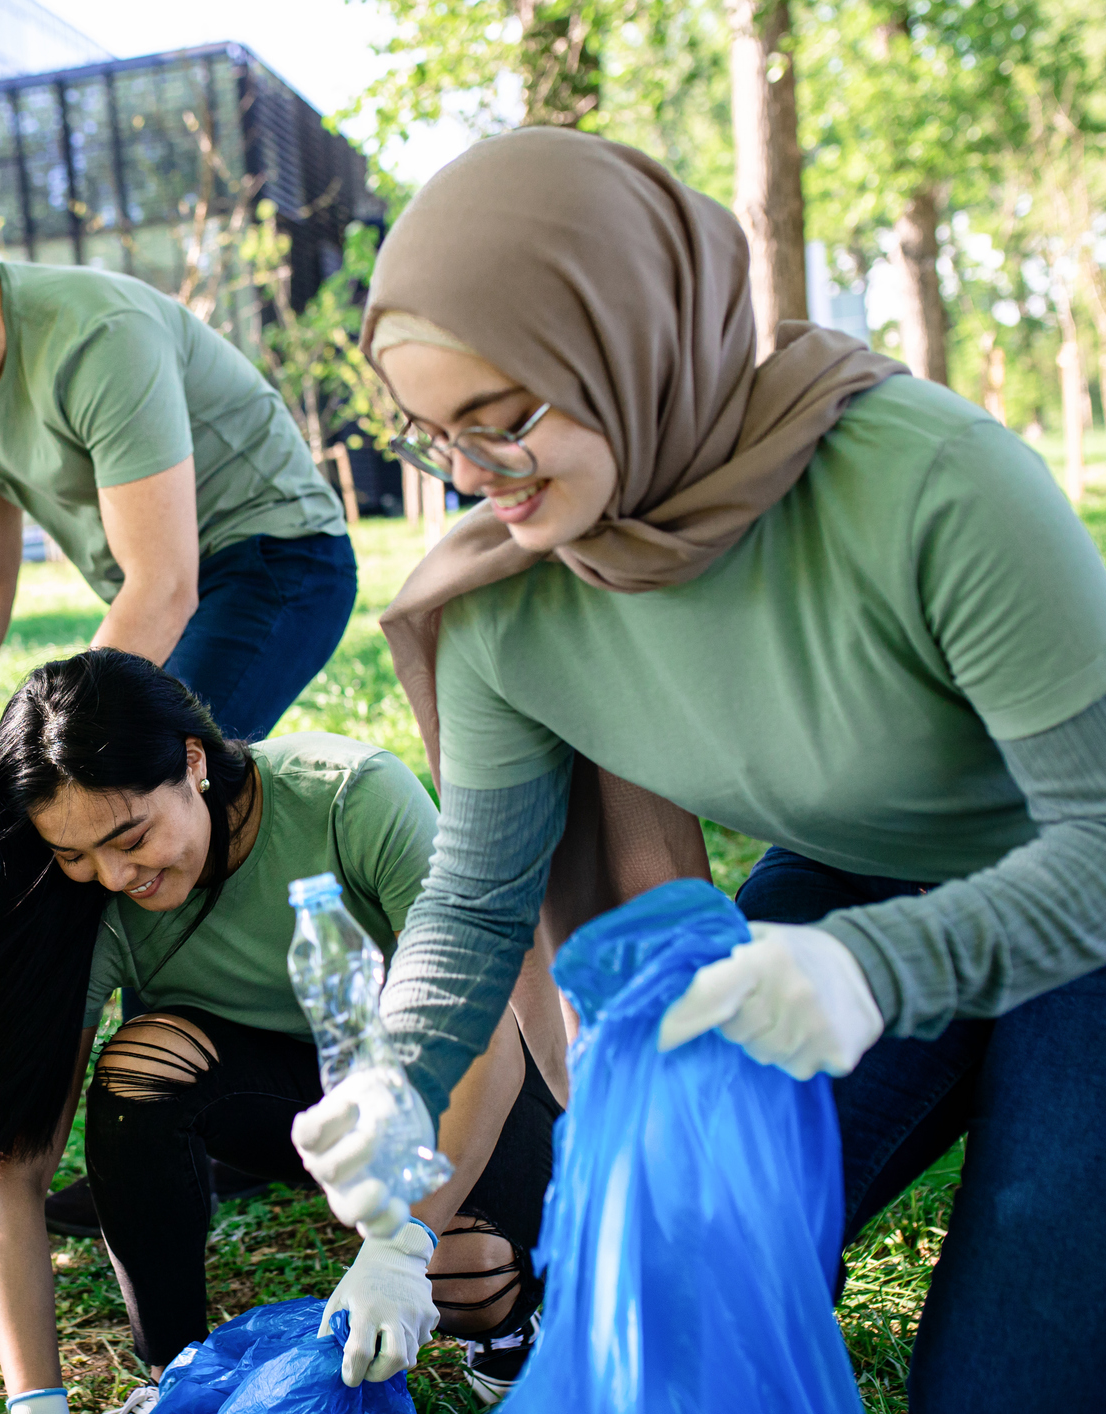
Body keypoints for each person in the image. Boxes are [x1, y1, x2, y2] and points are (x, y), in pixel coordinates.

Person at [289, 128, 1106, 1412]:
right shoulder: (510, 597)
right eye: (431, 431)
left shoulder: (930, 487)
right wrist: (400, 1072)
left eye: (501, 422)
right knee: (665, 1236)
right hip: (867, 870)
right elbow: (478, 894)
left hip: (1082, 894)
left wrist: (869, 967)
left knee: (1016, 1370)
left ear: (630, 343)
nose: (468, 477)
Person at [0, 650, 563, 1413]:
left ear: (192, 761)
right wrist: (33, 1400)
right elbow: (14, 1173)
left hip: (438, 1087)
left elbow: (482, 1024)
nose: (112, 876)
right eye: (73, 853)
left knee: (466, 1274)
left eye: (129, 838)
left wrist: (401, 1247)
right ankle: (172, 1369)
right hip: (286, 1106)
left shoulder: (348, 798)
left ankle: (507, 1333)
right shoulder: (84, 906)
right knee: (141, 1059)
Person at [0, 157, 358, 845]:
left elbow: (163, 584)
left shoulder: (96, 335)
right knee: (100, 799)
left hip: (277, 561)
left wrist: (34, 751)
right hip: (171, 584)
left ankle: (316, 916)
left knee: (129, 787)